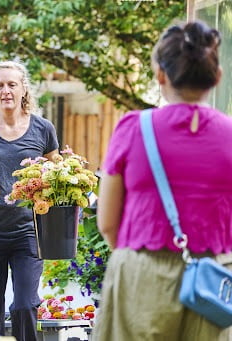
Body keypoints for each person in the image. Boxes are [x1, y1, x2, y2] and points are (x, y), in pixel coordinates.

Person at [94, 21, 232, 340]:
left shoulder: (134, 128)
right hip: (214, 280)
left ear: (160, 75)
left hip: (141, 272)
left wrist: (137, 261)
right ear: (217, 77)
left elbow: (107, 224)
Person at [0, 60, 59, 341]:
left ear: (23, 90)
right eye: (0, 85)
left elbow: (58, 174)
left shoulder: (42, 129)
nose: (6, 90)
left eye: (12, 84)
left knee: (24, 305)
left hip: (27, 232)